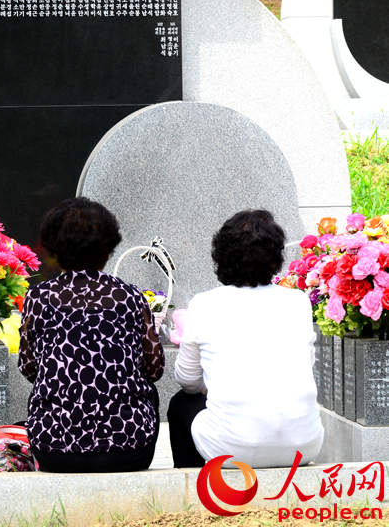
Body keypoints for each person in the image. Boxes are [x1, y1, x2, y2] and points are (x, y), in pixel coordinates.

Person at [167, 209, 324, 469]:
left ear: (221, 256)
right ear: (276, 256)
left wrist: (211, 387)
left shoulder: (204, 304)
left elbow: (187, 380)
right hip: (304, 445)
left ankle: (196, 487)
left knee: (181, 404)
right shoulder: (298, 302)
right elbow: (304, 365)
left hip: (231, 450)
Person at [18, 196, 164, 473]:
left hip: (54, 449)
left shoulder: (38, 298)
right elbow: (153, 369)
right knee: (149, 392)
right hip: (129, 449)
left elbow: (29, 368)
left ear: (54, 250)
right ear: (108, 250)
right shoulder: (130, 297)